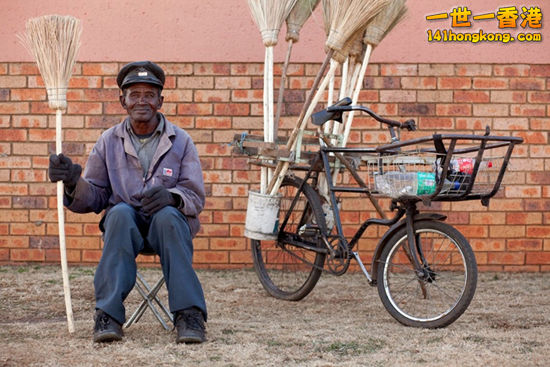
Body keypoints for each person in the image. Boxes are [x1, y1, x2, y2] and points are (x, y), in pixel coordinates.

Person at [48, 61, 207, 344]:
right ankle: (107, 315)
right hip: (125, 230)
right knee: (119, 213)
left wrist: (172, 197)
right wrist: (74, 183)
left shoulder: (181, 141)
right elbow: (95, 196)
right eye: (134, 94)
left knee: (169, 216)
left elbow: (195, 196)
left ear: (161, 100)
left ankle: (188, 315)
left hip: (168, 230)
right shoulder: (108, 141)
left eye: (149, 94)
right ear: (123, 101)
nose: (142, 101)